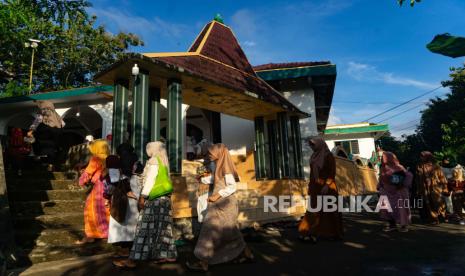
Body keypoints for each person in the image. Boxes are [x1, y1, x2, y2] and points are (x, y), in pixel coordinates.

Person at [186, 144, 254, 272]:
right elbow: (214, 180)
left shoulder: (226, 169)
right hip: (220, 205)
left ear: (219, 153)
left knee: (209, 230)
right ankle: (248, 254)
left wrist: (217, 195)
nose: (210, 154)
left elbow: (232, 187)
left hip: (225, 205)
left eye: (212, 152)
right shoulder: (219, 167)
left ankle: (203, 262)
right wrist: (202, 178)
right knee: (231, 232)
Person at [113, 141, 177, 268]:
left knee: (143, 229)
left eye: (149, 147)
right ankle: (168, 255)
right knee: (163, 228)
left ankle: (133, 260)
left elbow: (150, 180)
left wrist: (143, 196)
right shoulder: (164, 160)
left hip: (153, 199)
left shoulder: (154, 160)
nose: (147, 150)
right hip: (164, 199)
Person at [298, 137, 343, 243]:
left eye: (313, 145)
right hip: (315, 187)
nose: (312, 147)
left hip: (328, 187)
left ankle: (334, 233)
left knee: (330, 211)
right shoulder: (314, 156)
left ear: (320, 144)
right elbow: (312, 174)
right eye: (311, 145)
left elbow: (332, 172)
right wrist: (310, 186)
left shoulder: (328, 156)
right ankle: (307, 232)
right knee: (314, 209)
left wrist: (327, 185)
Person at [105, 154, 141, 258]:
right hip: (130, 201)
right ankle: (129, 249)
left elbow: (114, 184)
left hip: (121, 201)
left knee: (122, 225)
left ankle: (126, 251)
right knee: (130, 224)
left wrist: (107, 196)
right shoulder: (133, 172)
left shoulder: (113, 170)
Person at [76, 139, 110, 244]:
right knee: (106, 211)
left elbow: (88, 173)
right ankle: (106, 233)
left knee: (91, 211)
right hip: (109, 187)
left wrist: (81, 181)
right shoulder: (110, 158)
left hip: (99, 188)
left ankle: (90, 235)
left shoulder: (96, 158)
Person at [377, 152, 413, 232]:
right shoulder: (383, 168)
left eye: (384, 157)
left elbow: (408, 176)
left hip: (399, 192)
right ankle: (392, 224)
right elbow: (381, 179)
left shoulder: (399, 167)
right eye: (382, 158)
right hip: (386, 192)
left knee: (401, 209)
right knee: (387, 209)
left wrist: (402, 185)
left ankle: (404, 225)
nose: (382, 159)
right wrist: (379, 187)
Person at [28, 100, 64, 171]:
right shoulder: (53, 116)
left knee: (45, 152)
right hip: (48, 141)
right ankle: (48, 165)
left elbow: (33, 127)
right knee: (48, 152)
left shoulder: (42, 117)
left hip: (45, 140)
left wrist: (31, 132)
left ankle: (47, 165)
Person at [416, 151, 448, 225]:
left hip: (435, 188)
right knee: (428, 203)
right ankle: (434, 219)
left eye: (423, 156)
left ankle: (441, 216)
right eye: (421, 156)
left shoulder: (435, 166)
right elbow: (417, 178)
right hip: (425, 188)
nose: (421, 158)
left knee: (438, 202)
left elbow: (442, 177)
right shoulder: (419, 166)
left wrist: (445, 187)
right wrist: (418, 188)